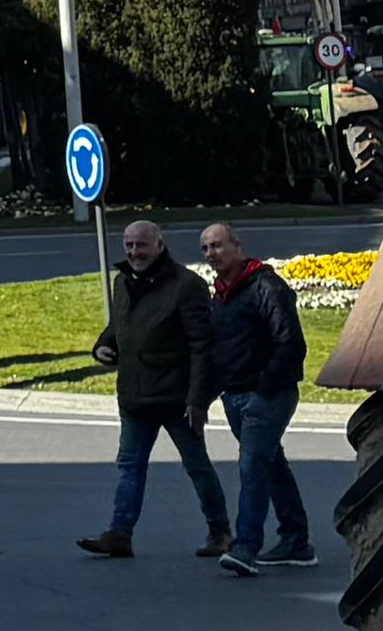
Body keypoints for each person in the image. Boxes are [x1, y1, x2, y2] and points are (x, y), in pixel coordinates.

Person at [79, 217, 227, 560]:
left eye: (141, 245)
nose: (134, 252)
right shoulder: (123, 282)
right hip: (134, 396)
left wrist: (198, 399)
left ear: (159, 244)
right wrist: (103, 346)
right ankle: (120, 533)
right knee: (130, 466)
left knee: (197, 466)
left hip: (177, 398)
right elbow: (117, 328)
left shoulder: (186, 285)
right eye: (129, 245)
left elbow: (201, 346)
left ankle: (220, 532)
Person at [203, 225, 314, 574]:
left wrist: (264, 388)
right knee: (271, 465)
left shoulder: (266, 286)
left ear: (237, 247)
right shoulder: (221, 295)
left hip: (268, 395)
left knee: (253, 467)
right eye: (205, 248)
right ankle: (296, 541)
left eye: (218, 245)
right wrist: (204, 396)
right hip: (234, 396)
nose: (211, 254)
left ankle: (246, 547)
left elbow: (291, 344)